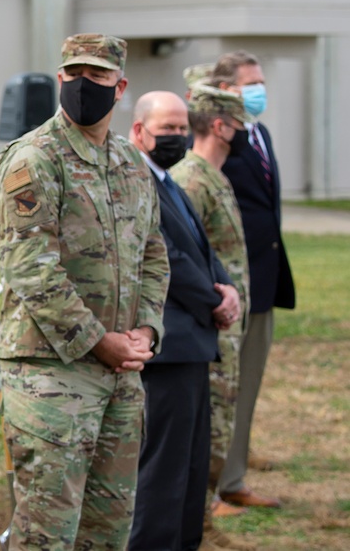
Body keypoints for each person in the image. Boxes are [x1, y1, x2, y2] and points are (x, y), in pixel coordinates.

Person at [0, 33, 170, 550]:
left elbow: (154, 252)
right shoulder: (34, 159)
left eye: (97, 77)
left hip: (120, 375)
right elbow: (30, 268)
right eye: (73, 74)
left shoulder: (132, 163)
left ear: (121, 87)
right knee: (46, 533)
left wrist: (146, 330)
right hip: (50, 374)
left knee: (107, 532)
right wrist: (99, 341)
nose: (82, 85)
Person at [127, 91, 241, 551]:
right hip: (169, 346)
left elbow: (200, 246)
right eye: (165, 129)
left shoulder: (169, 181)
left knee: (192, 468)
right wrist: (211, 299)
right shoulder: (137, 181)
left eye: (180, 128)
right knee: (164, 472)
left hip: (194, 344)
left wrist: (226, 285)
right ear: (139, 131)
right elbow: (163, 255)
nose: (175, 137)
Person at [172, 82, 257, 551]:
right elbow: (184, 258)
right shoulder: (192, 179)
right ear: (221, 126)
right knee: (205, 431)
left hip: (225, 327)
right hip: (206, 330)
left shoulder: (214, 175)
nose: (245, 132)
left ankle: (201, 522)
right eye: (241, 124)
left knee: (217, 429)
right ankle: (195, 524)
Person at [214, 50, 293, 511]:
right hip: (229, 287)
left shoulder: (259, 132)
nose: (260, 90)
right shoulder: (216, 141)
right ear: (227, 91)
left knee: (248, 384)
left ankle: (233, 477)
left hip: (264, 280)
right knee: (223, 388)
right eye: (252, 83)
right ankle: (217, 483)